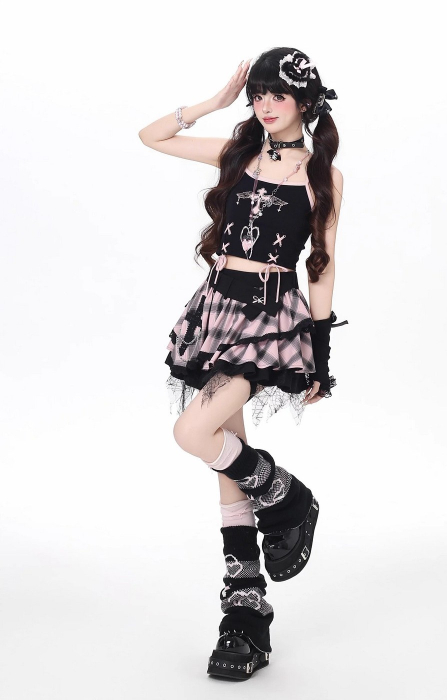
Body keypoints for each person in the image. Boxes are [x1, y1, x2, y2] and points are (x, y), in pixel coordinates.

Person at [138, 47, 347, 680]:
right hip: (216, 312)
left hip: (268, 319)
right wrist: (215, 101)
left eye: (277, 94)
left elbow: (323, 267)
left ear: (305, 102)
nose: (264, 104)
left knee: (192, 432)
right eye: (257, 93)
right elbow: (151, 136)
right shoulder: (238, 151)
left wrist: (320, 356)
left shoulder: (323, 176)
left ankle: (286, 495)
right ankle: (245, 611)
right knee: (226, 456)